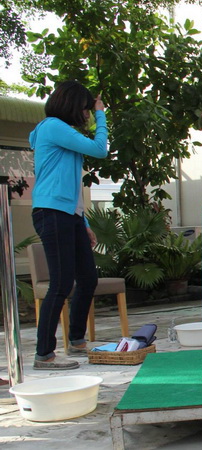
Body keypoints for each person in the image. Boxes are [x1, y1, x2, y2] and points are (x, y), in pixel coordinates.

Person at [29, 80, 108, 370]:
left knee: (87, 278)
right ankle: (44, 354)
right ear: (73, 106)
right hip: (52, 212)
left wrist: (82, 220)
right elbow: (100, 149)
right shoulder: (53, 127)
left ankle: (76, 340)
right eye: (85, 109)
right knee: (61, 283)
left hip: (68, 214)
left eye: (90, 110)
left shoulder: (62, 132)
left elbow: (69, 185)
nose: (87, 114)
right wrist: (101, 114)